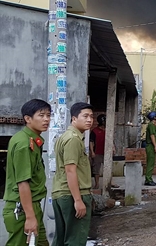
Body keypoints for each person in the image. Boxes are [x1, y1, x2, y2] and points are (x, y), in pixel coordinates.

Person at [3, 99, 50, 246]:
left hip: (30, 206)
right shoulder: (24, 144)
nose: (46, 119)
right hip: (23, 208)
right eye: (41, 115)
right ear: (28, 119)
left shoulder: (31, 139)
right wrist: (30, 217)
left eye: (48, 115)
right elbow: (23, 182)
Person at [52, 102, 94, 246]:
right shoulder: (73, 139)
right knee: (75, 240)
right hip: (73, 194)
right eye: (85, 116)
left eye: (91, 117)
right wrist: (78, 200)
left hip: (62, 193)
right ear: (74, 119)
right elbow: (71, 170)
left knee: (61, 240)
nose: (89, 120)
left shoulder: (65, 137)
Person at [89, 114, 116, 190]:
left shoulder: (108, 130)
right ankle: (97, 183)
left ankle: (111, 182)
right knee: (96, 169)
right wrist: (92, 152)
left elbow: (111, 140)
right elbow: (91, 142)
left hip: (107, 152)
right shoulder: (94, 131)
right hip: (97, 152)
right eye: (104, 121)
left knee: (110, 168)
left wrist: (113, 148)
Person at [144, 111, 156, 186]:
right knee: (150, 163)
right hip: (151, 146)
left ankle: (148, 179)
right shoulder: (151, 125)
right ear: (154, 117)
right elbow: (152, 136)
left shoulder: (152, 125)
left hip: (151, 145)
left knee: (151, 163)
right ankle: (148, 179)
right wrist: (155, 146)